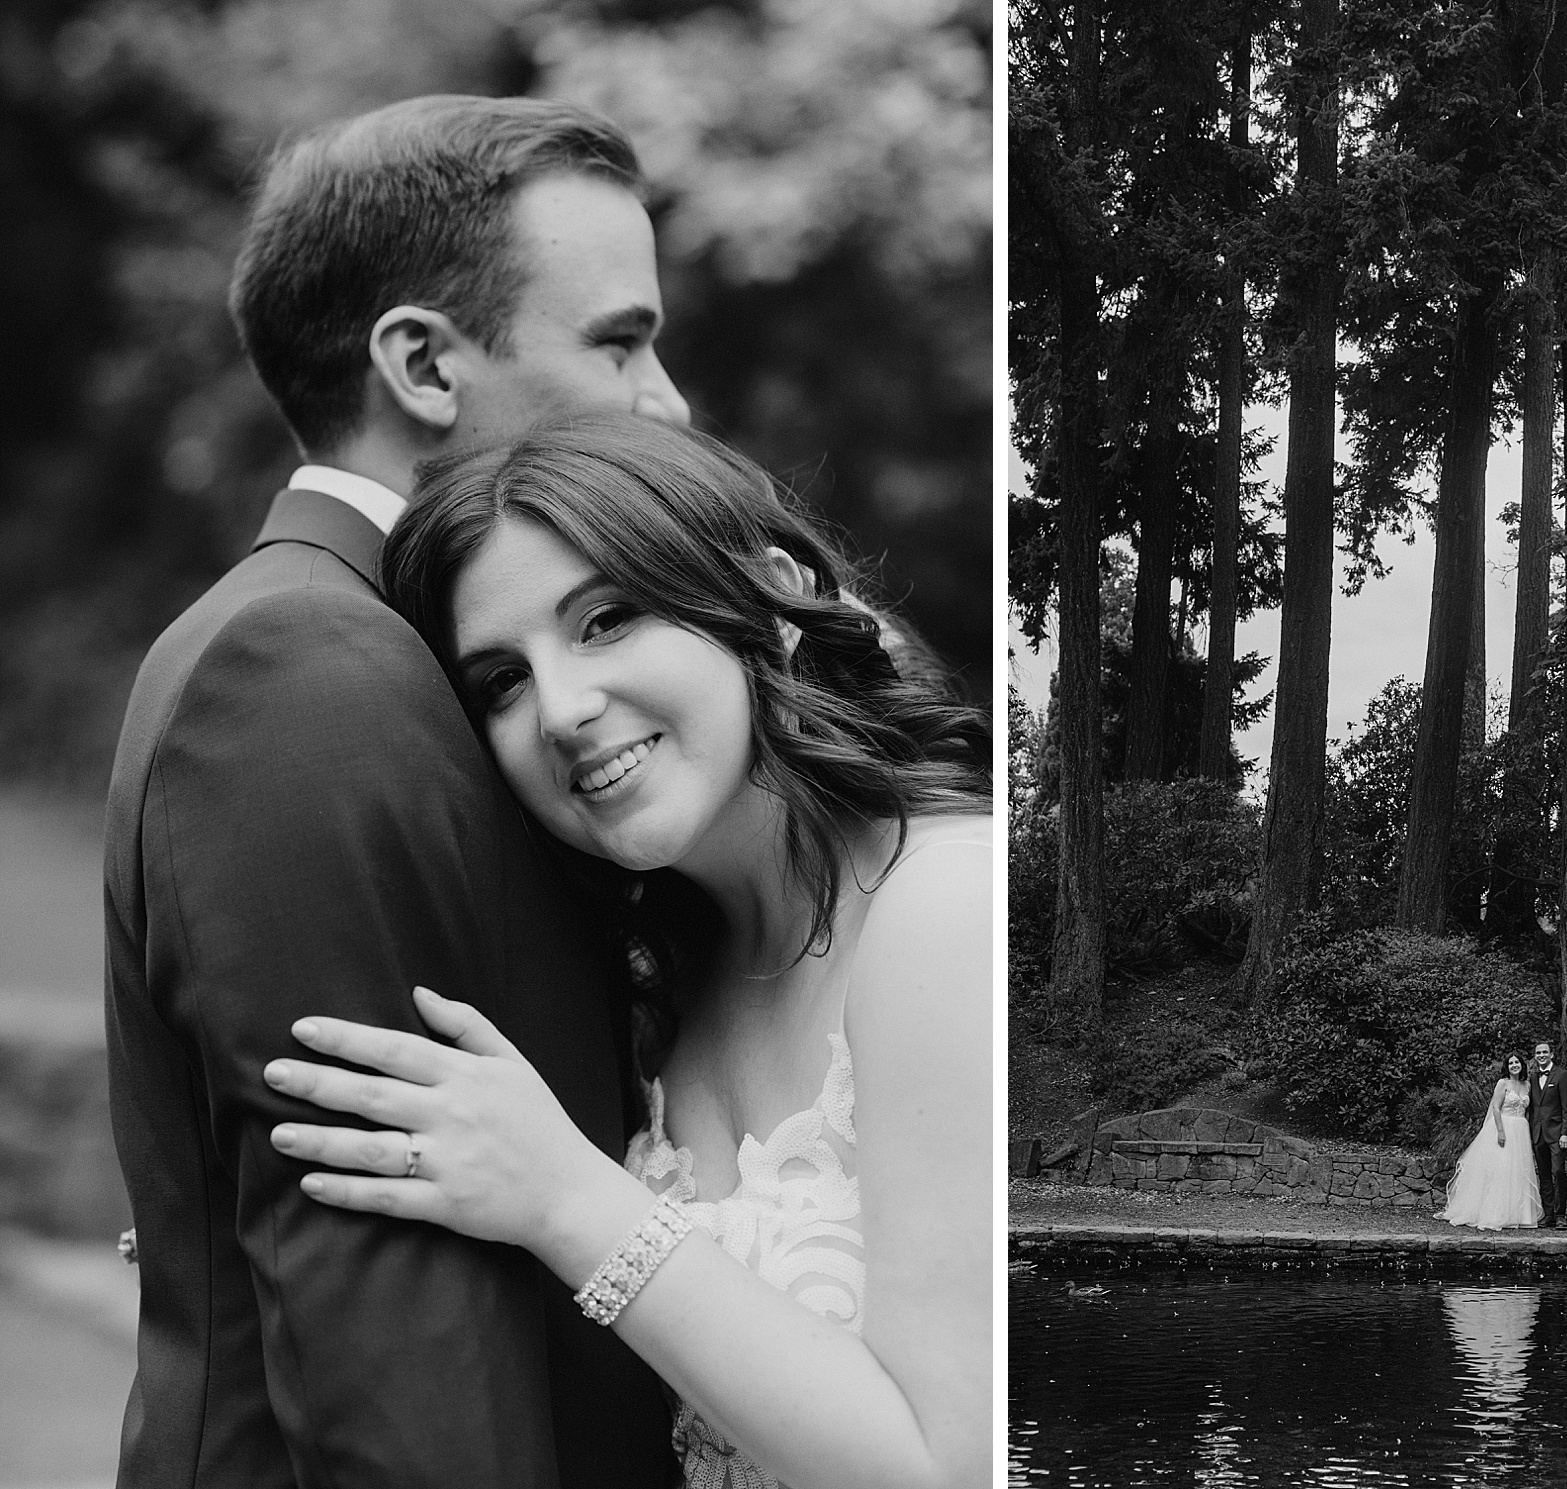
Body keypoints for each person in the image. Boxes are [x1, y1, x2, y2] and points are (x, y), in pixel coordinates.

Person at [102, 96, 688, 1487]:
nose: (665, 404)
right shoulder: (309, 672)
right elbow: (389, 1311)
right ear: (424, 363)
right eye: (620, 342)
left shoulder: (399, 654)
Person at [256, 412, 994, 1489]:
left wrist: (572, 1201)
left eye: (605, 619)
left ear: (770, 597)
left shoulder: (941, 909)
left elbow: (950, 1466)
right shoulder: (652, 987)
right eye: (500, 682)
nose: (561, 708)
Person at [1436, 1052, 1544, 1231]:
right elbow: (1495, 1107)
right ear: (1507, 1067)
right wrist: (1501, 1131)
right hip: (1505, 1126)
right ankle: (1495, 1213)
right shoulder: (1503, 1083)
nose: (1514, 1065)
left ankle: (1521, 1215)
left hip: (1521, 1130)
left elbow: (1527, 1110)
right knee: (1501, 1169)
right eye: (1511, 1063)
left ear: (1522, 1065)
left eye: (1517, 1062)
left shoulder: (1527, 1085)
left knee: (1518, 1170)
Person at [1528, 1038, 1567, 1229]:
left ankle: (1560, 1215)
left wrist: (1566, 1133)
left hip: (1557, 1133)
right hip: (1538, 1134)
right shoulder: (1532, 1077)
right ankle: (1548, 1215)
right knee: (1545, 1175)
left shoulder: (1562, 1075)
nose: (1541, 1055)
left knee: (1558, 1172)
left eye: (1544, 1052)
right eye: (1538, 1053)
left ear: (1551, 1054)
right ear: (1535, 1056)